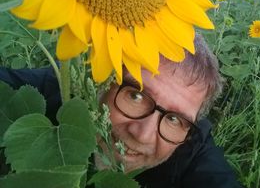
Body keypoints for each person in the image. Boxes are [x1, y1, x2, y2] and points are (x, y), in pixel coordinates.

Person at [0, 34, 242, 188]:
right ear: (100, 81)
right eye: (135, 96)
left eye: (173, 119)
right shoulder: (60, 88)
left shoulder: (192, 145)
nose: (143, 134)